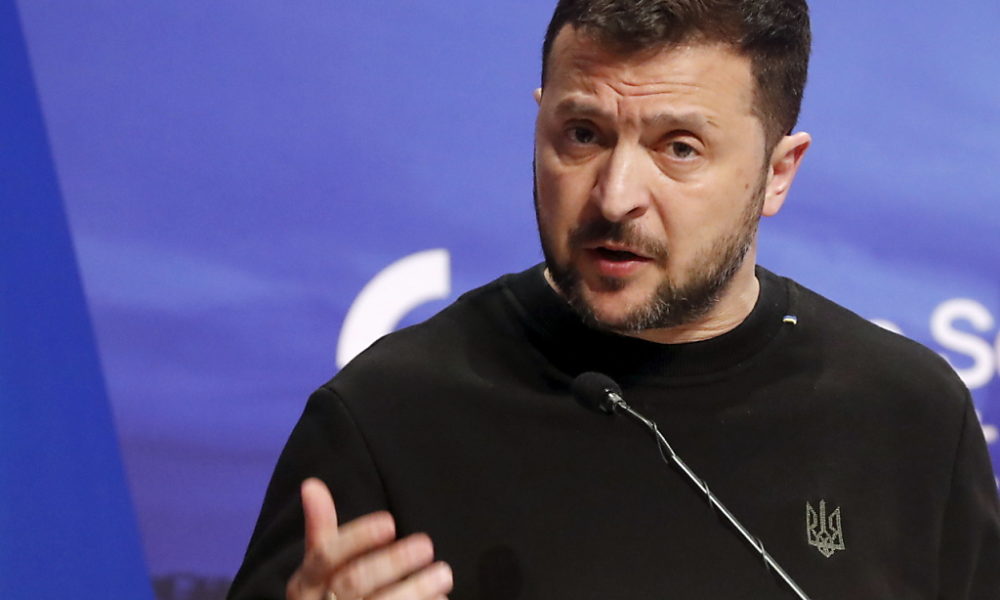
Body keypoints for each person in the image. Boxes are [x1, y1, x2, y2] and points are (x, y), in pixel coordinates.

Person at [228, 1, 1000, 598]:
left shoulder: (910, 414)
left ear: (777, 172)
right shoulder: (386, 416)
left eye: (679, 148)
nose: (614, 195)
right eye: (583, 134)